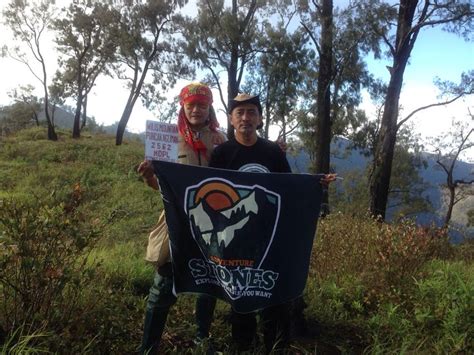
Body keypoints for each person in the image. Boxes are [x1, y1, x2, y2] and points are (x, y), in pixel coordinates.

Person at [208, 93, 336, 353]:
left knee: (271, 294)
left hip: (269, 235)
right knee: (240, 292)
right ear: (231, 119)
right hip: (236, 239)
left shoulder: (272, 152)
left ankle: (275, 344)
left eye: (251, 112)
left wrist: (314, 183)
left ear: (259, 118)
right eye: (240, 112)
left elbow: (287, 186)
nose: (246, 117)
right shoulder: (221, 153)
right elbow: (210, 190)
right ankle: (243, 344)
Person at [137, 82, 226, 354]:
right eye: (191, 105)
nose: (196, 110)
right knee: (163, 284)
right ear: (183, 107)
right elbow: (160, 187)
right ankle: (148, 347)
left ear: (209, 107)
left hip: (211, 224)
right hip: (176, 221)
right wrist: (150, 175)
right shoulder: (168, 139)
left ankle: (202, 337)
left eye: (202, 104)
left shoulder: (220, 141)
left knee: (209, 282)